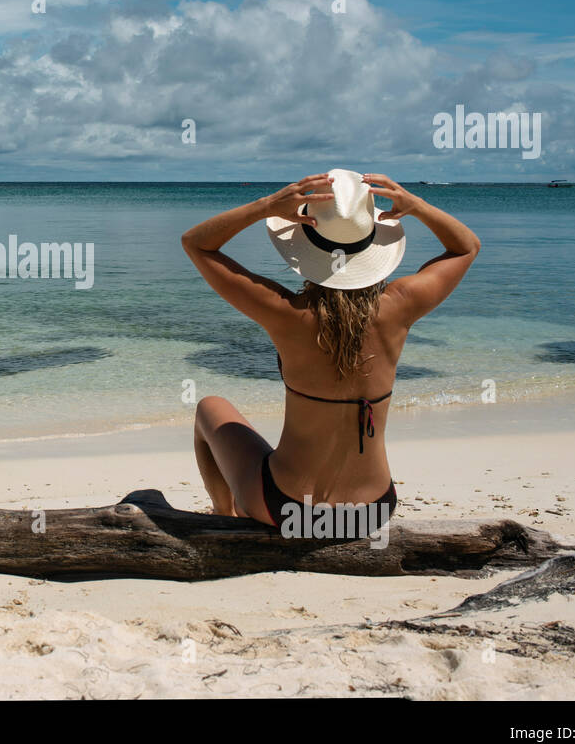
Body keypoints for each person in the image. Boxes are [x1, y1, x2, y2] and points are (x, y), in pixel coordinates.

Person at [180, 169, 480, 528]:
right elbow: (467, 246)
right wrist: (418, 206)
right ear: (370, 241)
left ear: (303, 244)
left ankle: (224, 516)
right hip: (373, 511)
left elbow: (196, 243)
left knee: (209, 407)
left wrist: (266, 206)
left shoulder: (285, 313)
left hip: (289, 511)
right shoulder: (401, 304)